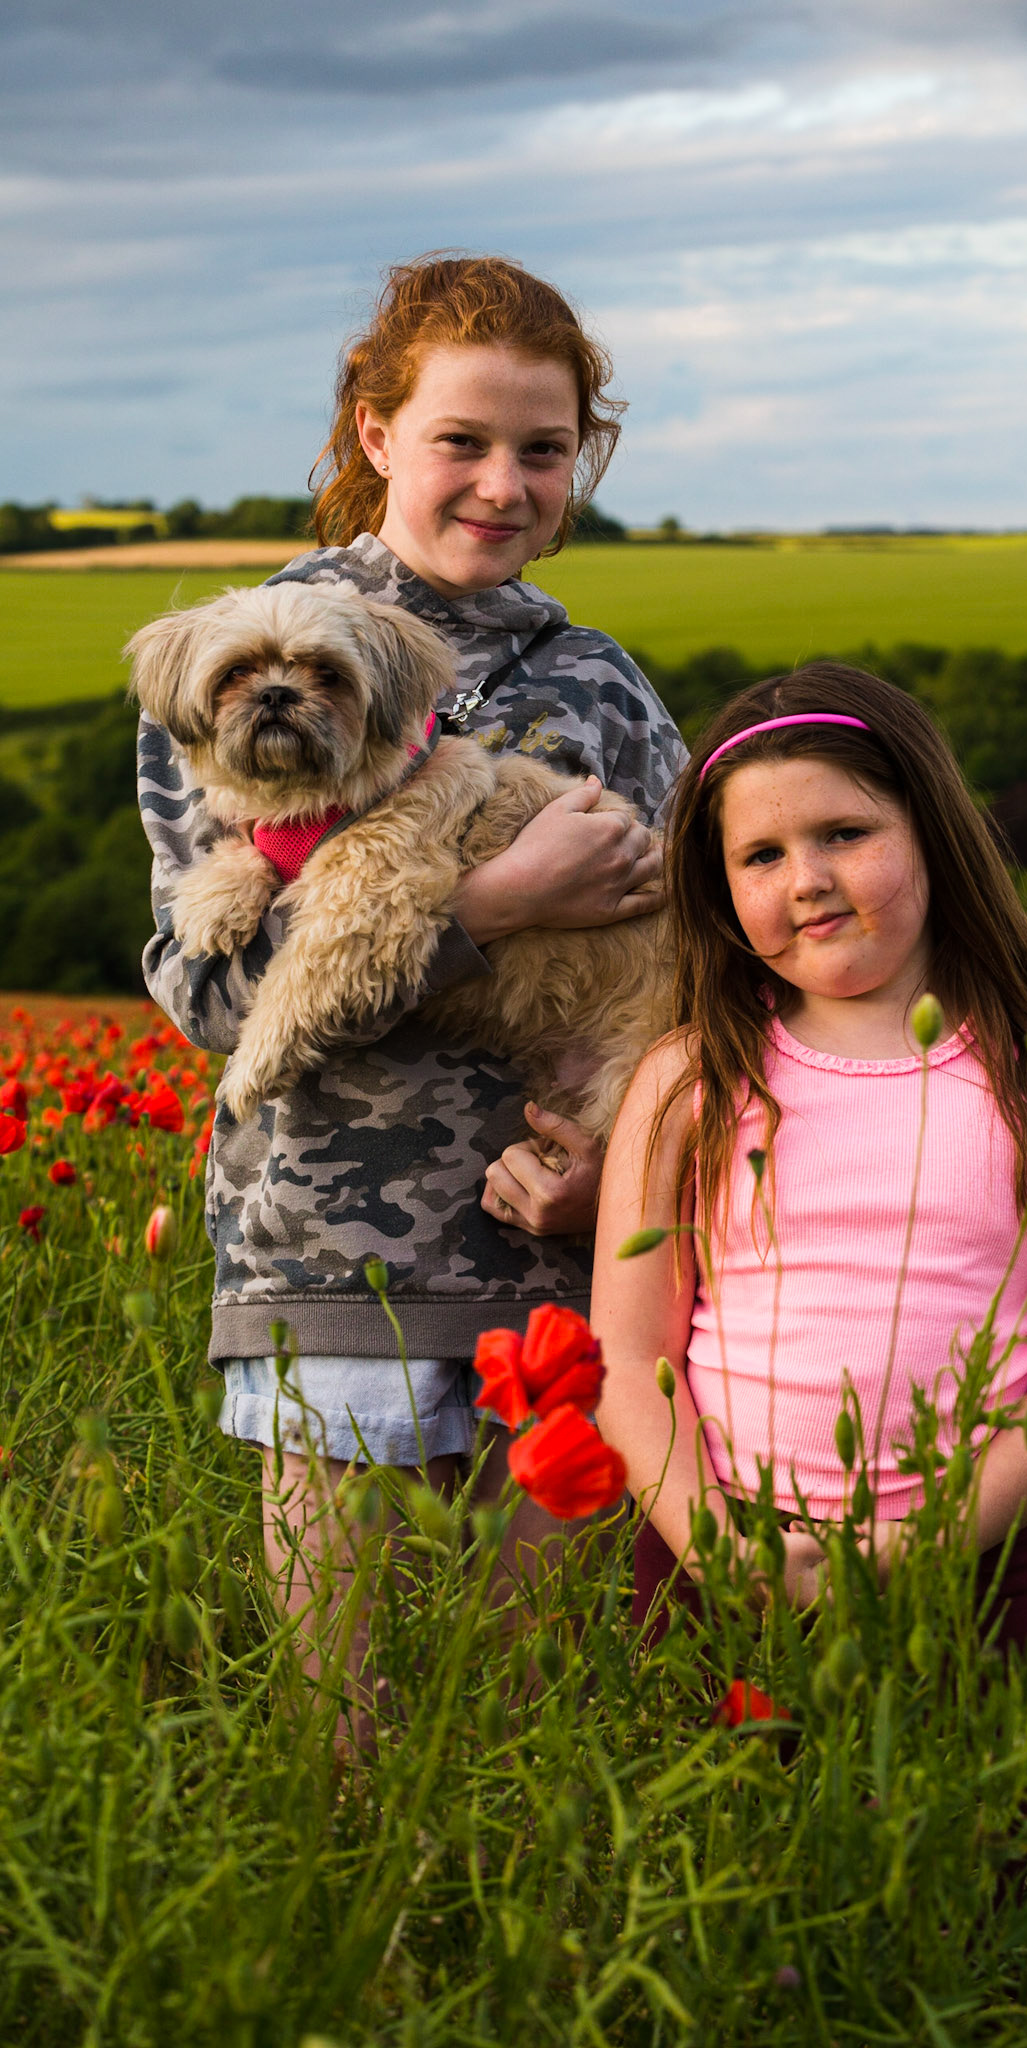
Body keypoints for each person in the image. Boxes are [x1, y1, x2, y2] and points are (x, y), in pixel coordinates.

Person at [137, 252, 687, 1744]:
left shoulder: (607, 691)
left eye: (543, 449)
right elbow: (207, 993)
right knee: (359, 1745)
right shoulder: (240, 657)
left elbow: (688, 994)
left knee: (541, 1741)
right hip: (334, 1273)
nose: (501, 482)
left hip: (575, 1292)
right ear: (375, 434)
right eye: (462, 440)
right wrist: (488, 909)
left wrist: (628, 1184)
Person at [592, 664, 1027, 1650]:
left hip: (972, 1558)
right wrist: (715, 1543)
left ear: (932, 829)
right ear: (721, 894)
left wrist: (936, 1534)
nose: (805, 877)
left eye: (844, 833)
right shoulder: (689, 1077)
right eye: (760, 854)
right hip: (715, 1553)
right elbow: (632, 1358)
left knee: (952, 1804)